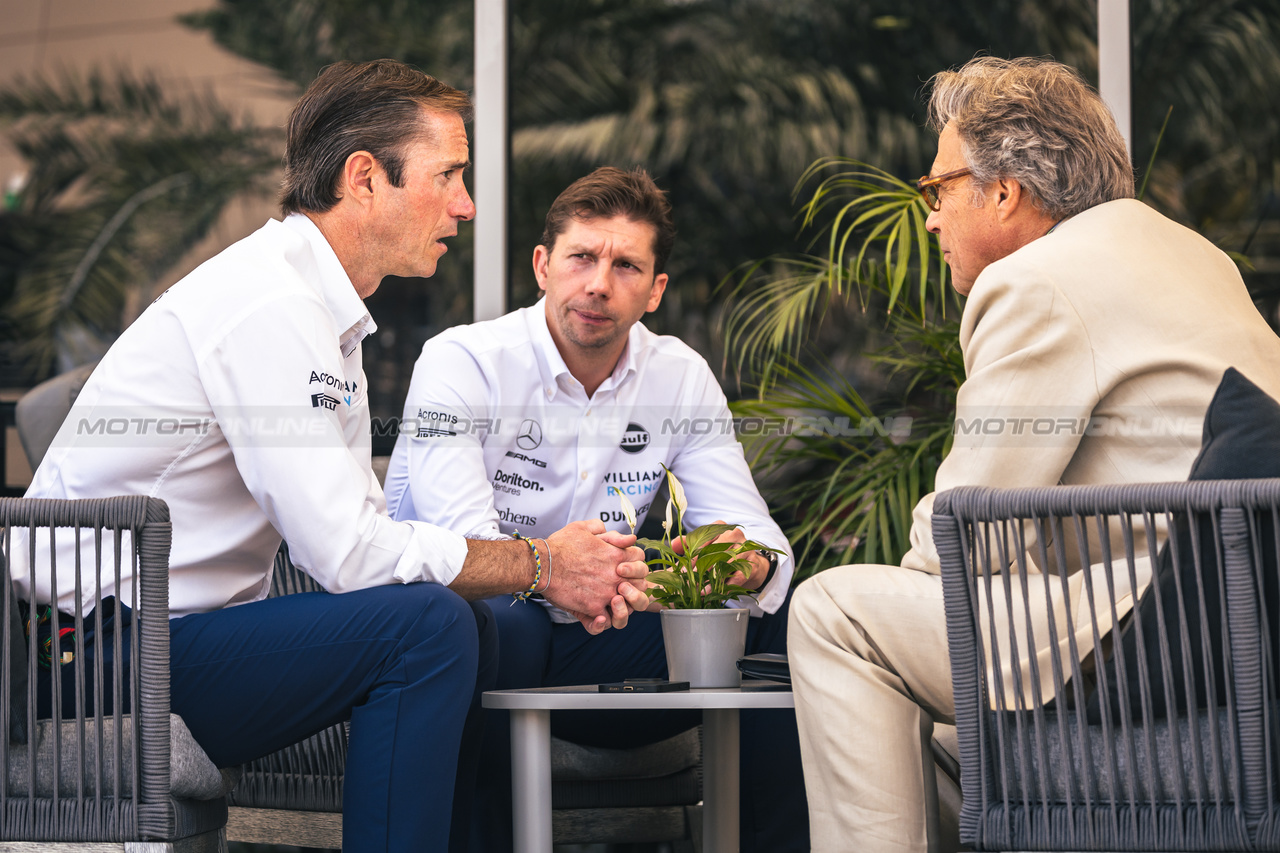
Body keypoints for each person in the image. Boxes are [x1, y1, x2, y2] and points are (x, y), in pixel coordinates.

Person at [15, 60, 649, 853]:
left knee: (468, 624)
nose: (466, 203)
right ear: (363, 179)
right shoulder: (268, 304)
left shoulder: (322, 314)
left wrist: (528, 569)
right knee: (424, 628)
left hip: (168, 633)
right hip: (83, 649)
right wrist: (542, 562)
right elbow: (347, 552)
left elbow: (359, 535)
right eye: (447, 174)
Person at [787, 56, 1280, 853]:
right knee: (940, 755)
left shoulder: (1038, 280)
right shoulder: (1193, 254)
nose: (930, 218)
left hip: (1152, 628)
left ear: (1005, 192)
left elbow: (967, 532)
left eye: (938, 188)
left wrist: (901, 611)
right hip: (1245, 621)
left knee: (835, 613)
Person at [383, 165, 808, 852]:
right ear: (543, 266)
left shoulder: (678, 375)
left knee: (785, 618)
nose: (599, 283)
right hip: (464, 639)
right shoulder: (463, 362)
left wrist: (718, 569)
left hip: (603, 630)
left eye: (627, 266)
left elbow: (754, 541)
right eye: (582, 257)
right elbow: (461, 544)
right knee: (501, 623)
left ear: (656, 290)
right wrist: (558, 569)